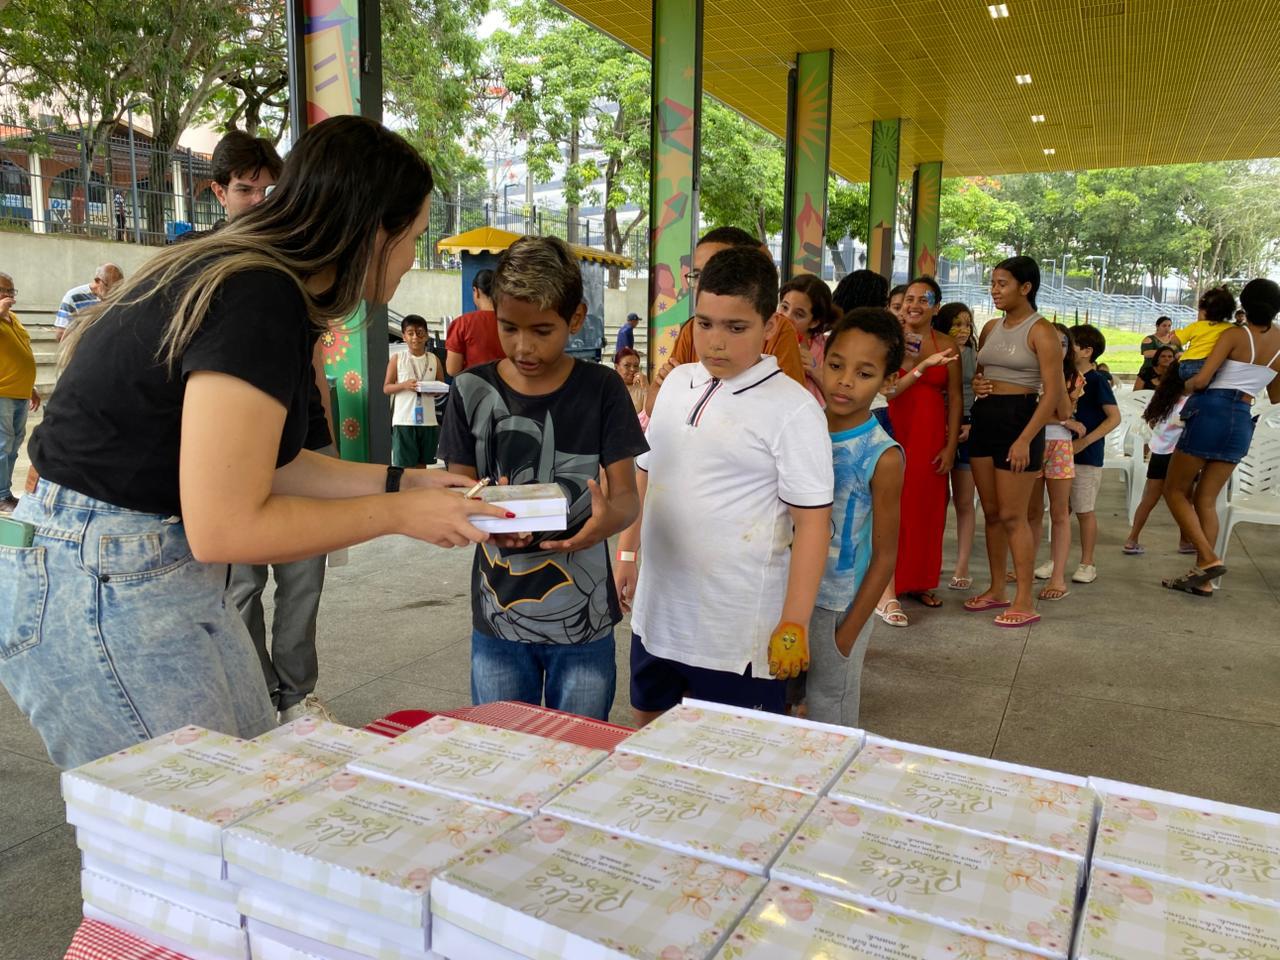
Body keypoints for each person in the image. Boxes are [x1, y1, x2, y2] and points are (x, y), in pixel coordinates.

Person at [0, 116, 509, 770]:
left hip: (140, 567)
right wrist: (402, 515)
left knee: (247, 778)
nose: (413, 257)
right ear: (370, 233)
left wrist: (400, 481)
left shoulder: (265, 285)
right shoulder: (256, 294)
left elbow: (269, 466)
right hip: (101, 581)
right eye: (412, 237)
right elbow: (228, 524)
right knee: (200, 821)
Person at [615, 246, 833, 722]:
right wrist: (627, 552)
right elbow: (649, 472)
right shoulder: (675, 384)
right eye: (705, 323)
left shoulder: (794, 409)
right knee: (650, 744)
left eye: (736, 328)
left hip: (737, 637)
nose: (716, 341)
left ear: (771, 327)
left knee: (735, 771)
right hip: (657, 619)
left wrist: (795, 618)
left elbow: (814, 524)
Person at [438, 236, 648, 721]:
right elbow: (456, 494)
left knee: (577, 756)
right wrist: (487, 519)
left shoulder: (602, 388)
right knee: (499, 753)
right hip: (498, 622)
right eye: (509, 328)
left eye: (542, 330)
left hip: (586, 622)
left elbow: (625, 499)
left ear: (576, 318)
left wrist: (603, 523)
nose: (524, 346)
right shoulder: (471, 391)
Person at [803, 308, 903, 725]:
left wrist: (849, 634)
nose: (844, 381)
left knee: (830, 712)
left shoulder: (882, 456)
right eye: (837, 365)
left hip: (837, 606)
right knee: (780, 706)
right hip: (787, 593)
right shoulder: (799, 429)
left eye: (864, 373)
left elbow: (884, 557)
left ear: (888, 381)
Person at [964, 257, 1067, 628]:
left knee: (1013, 515)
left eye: (1002, 283)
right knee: (990, 513)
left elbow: (1053, 392)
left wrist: (1026, 439)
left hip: (1020, 420)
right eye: (992, 283)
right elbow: (980, 373)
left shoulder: (1042, 332)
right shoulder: (991, 327)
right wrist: (977, 386)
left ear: (1026, 288)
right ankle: (996, 589)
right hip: (986, 418)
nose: (995, 290)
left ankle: (1024, 599)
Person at [1162, 278, 1280, 595]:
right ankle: (1205, 579)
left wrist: (1182, 386)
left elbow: (1201, 380)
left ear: (1245, 303)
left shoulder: (1233, 334)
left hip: (1210, 412)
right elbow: (1276, 393)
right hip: (1242, 418)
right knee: (1207, 500)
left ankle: (1210, 560)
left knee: (1174, 490)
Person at [646, 227, 804, 416]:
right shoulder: (690, 329)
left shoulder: (779, 331)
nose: (708, 284)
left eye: (736, 328)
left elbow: (785, 408)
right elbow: (657, 406)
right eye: (697, 275)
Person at [875, 277, 961, 625]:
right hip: (892, 425)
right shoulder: (887, 339)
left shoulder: (948, 344)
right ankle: (889, 585)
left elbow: (955, 397)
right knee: (894, 506)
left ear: (936, 307)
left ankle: (921, 580)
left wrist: (951, 443)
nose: (915, 305)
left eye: (923, 299)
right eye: (909, 298)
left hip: (929, 435)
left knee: (926, 506)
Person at [1047, 324, 1121, 586]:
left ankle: (1087, 562)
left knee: (1083, 509)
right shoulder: (1061, 375)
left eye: (1070, 343)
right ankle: (1056, 559)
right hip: (1061, 451)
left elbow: (1114, 418)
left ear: (1088, 351)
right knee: (1060, 510)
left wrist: (1085, 441)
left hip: (1085, 456)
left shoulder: (1097, 380)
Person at [1027, 324, 1085, 602]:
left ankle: (1058, 576)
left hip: (1060, 445)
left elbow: (1061, 410)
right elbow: (1034, 414)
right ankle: (1024, 567)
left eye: (1063, 343)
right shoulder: (1027, 373)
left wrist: (1062, 418)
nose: (1057, 347)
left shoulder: (1074, 378)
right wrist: (1065, 420)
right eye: (1052, 342)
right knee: (1032, 513)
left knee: (1060, 513)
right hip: (1031, 443)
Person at [934, 302, 979, 591]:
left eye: (967, 324)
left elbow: (982, 390)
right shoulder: (936, 351)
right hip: (937, 426)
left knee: (964, 501)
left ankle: (961, 565)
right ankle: (932, 561)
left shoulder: (976, 355)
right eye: (956, 324)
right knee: (936, 502)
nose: (963, 330)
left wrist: (971, 423)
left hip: (968, 426)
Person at [1122, 367, 1187, 556]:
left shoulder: (1162, 400)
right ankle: (1185, 540)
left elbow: (1151, 423)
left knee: (1149, 498)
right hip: (1180, 455)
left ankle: (1132, 538)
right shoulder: (1190, 402)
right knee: (1184, 501)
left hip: (1158, 452)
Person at [0, 272, 40, 513]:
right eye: (3, 290)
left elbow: (22, 351)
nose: (8, 295)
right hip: (2, 392)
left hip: (20, 393)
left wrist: (31, 386)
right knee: (2, 444)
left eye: (11, 291)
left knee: (13, 445)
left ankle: (5, 491)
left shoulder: (13, 319)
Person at [385, 314, 444, 468]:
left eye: (420, 332)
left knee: (423, 466)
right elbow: (386, 388)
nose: (415, 337)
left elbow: (441, 385)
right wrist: (404, 385)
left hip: (429, 421)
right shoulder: (397, 358)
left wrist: (435, 391)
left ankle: (421, 492)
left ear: (426, 335)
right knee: (404, 468)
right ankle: (406, 492)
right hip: (404, 420)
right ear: (404, 336)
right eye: (410, 333)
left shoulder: (434, 359)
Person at [779, 272, 841, 406]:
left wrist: (815, 371)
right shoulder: (762, 340)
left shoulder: (830, 350)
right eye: (784, 307)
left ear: (814, 322)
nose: (787, 317)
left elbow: (841, 400)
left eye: (799, 314)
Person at [210, 130, 284, 224]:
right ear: (221, 194)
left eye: (269, 190)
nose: (259, 200)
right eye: (245, 190)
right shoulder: (197, 239)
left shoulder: (296, 236)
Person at [445, 269, 504, 375]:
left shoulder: (462, 324)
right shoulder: (512, 322)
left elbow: (452, 370)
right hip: (507, 387)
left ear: (476, 291)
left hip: (473, 388)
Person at [1174, 287, 1237, 382]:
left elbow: (1177, 340)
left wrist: (1174, 334)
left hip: (1187, 366)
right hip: (1213, 367)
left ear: (1204, 311)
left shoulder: (1197, 326)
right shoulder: (1231, 328)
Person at [54, 263, 123, 342]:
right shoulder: (73, 297)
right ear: (97, 281)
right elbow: (60, 334)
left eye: (118, 287)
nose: (114, 292)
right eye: (109, 287)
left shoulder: (120, 297)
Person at [613, 346, 648, 417]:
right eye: (627, 365)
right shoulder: (608, 388)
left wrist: (646, 388)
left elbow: (647, 417)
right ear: (616, 367)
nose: (632, 369)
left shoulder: (642, 388)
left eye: (636, 366)